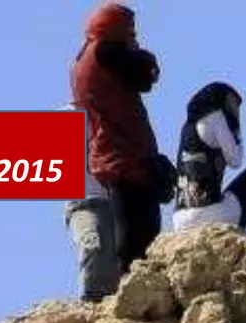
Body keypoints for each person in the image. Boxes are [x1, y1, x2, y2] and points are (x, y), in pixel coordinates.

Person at [70, 3, 174, 273]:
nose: (133, 38)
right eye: (130, 32)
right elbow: (145, 75)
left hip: (112, 158)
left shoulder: (82, 60)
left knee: (130, 236)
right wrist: (138, 51)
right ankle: (134, 295)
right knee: (139, 241)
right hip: (126, 159)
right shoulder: (106, 51)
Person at [170, 82, 246, 232]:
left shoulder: (188, 126)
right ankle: (238, 233)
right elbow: (235, 160)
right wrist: (236, 131)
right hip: (208, 216)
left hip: (179, 220)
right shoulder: (215, 117)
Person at [60, 103, 119, 301]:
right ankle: (91, 306)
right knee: (94, 246)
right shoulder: (70, 114)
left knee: (119, 260)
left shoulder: (112, 113)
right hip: (83, 203)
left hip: (113, 201)